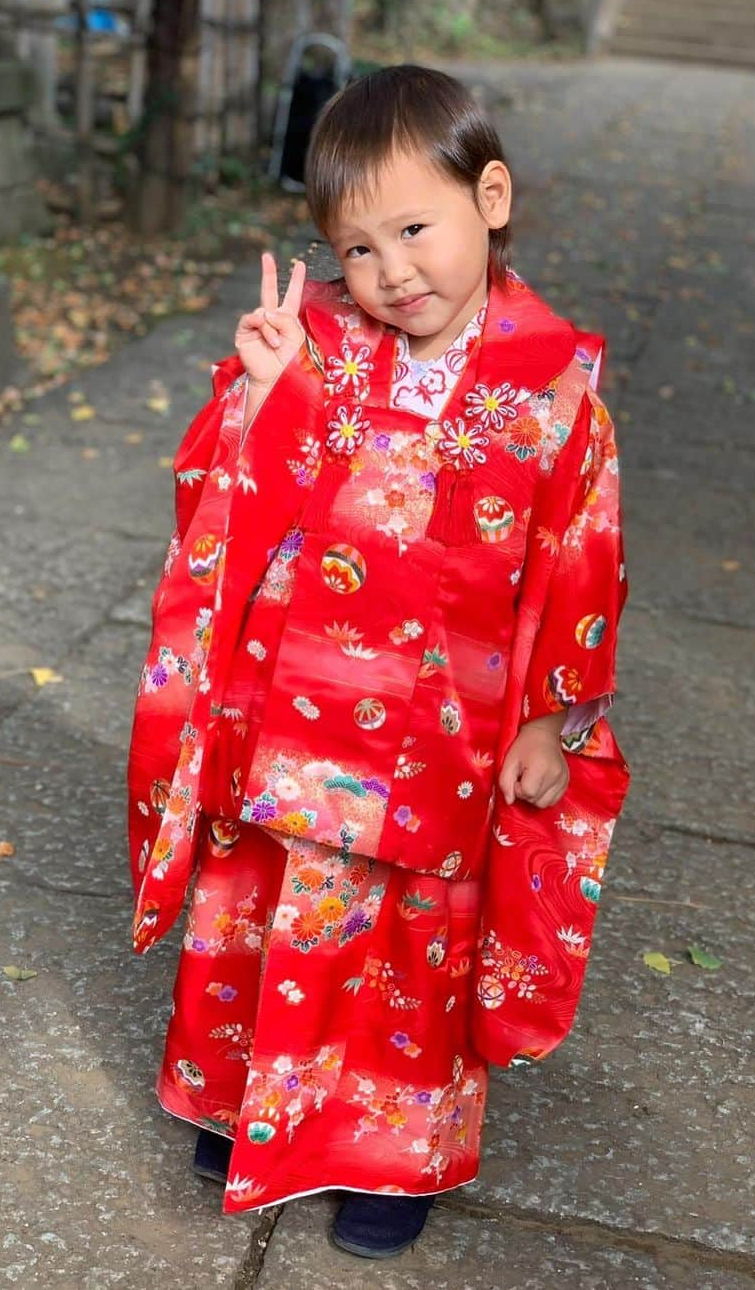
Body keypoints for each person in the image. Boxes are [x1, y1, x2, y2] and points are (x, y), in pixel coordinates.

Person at [126, 63, 629, 1259]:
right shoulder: (322, 349)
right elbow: (228, 498)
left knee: (410, 943)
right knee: (265, 898)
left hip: (446, 729)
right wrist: (264, 394)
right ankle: (244, 1100)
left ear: (490, 197)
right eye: (357, 250)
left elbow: (580, 562)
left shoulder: (557, 390)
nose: (392, 271)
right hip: (299, 704)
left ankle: (387, 1160)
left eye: (415, 228)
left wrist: (554, 720)